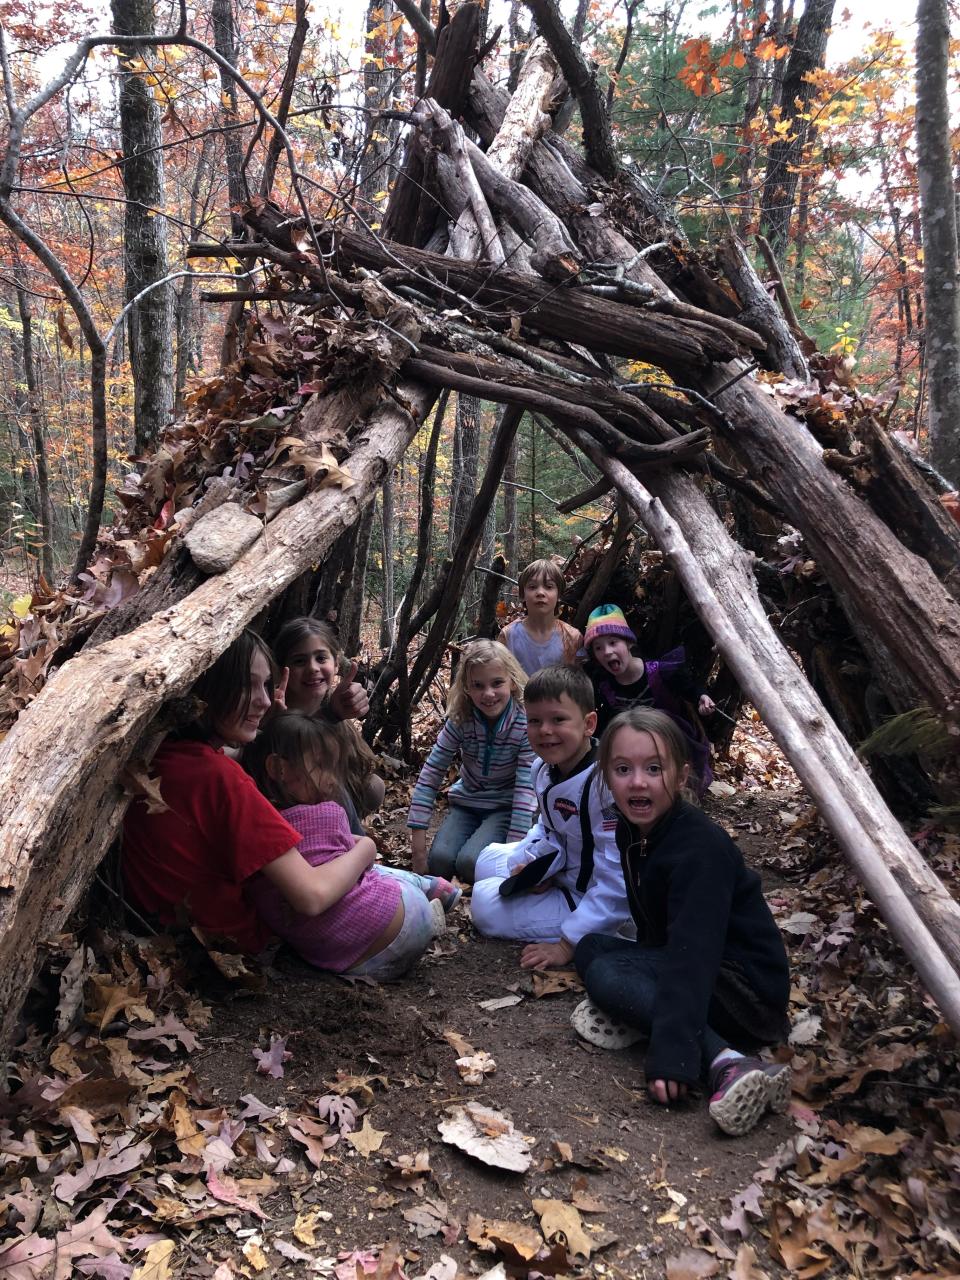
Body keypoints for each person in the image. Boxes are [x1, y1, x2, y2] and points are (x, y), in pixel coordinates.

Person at [573, 708, 791, 1137]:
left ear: (679, 775)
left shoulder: (699, 848)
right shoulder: (634, 830)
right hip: (696, 965)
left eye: (654, 769)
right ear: (606, 776)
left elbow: (693, 955)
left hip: (745, 992)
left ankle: (725, 1060)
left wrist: (674, 1052)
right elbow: (660, 934)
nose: (638, 781)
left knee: (606, 971)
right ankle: (649, 1011)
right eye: (623, 769)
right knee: (592, 947)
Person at [122, 631, 376, 957]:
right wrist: (367, 846)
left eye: (266, 685)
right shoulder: (221, 779)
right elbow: (311, 896)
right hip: (236, 941)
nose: (265, 700)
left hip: (170, 933)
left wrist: (276, 728)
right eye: (246, 686)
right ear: (206, 688)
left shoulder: (166, 755)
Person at [243, 712, 459, 980]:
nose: (333, 780)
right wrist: (367, 846)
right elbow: (361, 864)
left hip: (352, 961)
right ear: (279, 769)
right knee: (366, 867)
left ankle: (427, 893)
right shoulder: (327, 813)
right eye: (321, 766)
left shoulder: (250, 827)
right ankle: (428, 889)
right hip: (406, 920)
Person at [471, 665, 632, 967]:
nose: (545, 730)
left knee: (483, 904)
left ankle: (604, 935)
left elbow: (618, 879)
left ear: (589, 724)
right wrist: (536, 866)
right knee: (486, 860)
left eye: (558, 719)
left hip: (588, 897)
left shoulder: (605, 786)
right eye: (535, 721)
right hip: (563, 870)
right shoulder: (542, 769)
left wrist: (567, 944)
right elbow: (548, 829)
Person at [407, 639, 535, 881]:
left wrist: (513, 853)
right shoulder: (461, 719)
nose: (488, 694)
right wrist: (418, 848)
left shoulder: (524, 724)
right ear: (466, 687)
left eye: (497, 683)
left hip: (504, 807)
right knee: (440, 862)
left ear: (512, 682)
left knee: (470, 863)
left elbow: (525, 791)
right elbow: (432, 772)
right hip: (467, 803)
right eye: (478, 685)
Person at [583, 603, 715, 795]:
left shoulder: (659, 672)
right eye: (598, 648)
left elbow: (688, 688)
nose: (607, 652)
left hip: (671, 743)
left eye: (613, 643)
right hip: (630, 748)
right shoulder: (604, 685)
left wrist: (701, 697)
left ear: (628, 643)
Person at [272, 616, 385, 832]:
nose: (313, 668)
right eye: (299, 661)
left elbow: (365, 777)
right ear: (281, 668)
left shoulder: (333, 711)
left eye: (321, 658)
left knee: (373, 786)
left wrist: (335, 714)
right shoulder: (272, 713)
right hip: (291, 830)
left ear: (335, 664)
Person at [498, 559, 583, 676]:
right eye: (532, 587)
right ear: (522, 595)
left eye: (549, 587)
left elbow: (579, 684)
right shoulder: (509, 636)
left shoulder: (572, 637)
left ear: (559, 595)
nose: (540, 593)